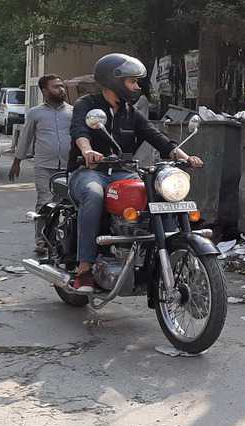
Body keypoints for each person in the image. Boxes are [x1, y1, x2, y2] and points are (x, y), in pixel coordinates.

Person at [68, 53, 203, 293]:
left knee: (160, 195)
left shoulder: (131, 112)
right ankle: (84, 269)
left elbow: (156, 137)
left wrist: (185, 157)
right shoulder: (86, 105)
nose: (137, 87)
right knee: (94, 195)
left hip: (122, 173)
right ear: (114, 81)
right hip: (89, 172)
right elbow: (80, 131)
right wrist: (88, 151)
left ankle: (167, 256)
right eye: (132, 82)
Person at [12, 75, 73, 254]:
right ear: (45, 91)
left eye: (62, 86)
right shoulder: (35, 113)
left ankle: (63, 239)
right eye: (56, 87)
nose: (61, 90)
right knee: (45, 203)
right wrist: (17, 161)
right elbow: (26, 138)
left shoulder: (73, 111)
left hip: (68, 168)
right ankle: (41, 240)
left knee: (67, 206)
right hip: (44, 167)